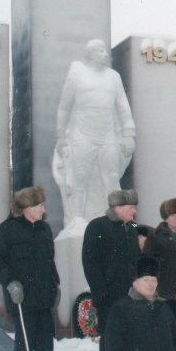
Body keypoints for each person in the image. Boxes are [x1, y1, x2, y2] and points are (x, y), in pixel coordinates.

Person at [0, 185, 61, 351]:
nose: (43, 209)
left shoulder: (44, 228)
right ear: (28, 208)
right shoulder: (7, 230)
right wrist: (10, 282)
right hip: (22, 295)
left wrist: (55, 285)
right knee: (25, 336)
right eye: (40, 205)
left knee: (45, 334)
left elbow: (49, 260)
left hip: (44, 292)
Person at [55, 39, 136, 222]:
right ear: (89, 53)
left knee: (112, 178)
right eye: (101, 51)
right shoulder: (76, 75)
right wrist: (61, 136)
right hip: (83, 136)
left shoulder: (113, 77)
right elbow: (64, 108)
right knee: (80, 177)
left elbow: (123, 107)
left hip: (107, 137)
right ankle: (77, 218)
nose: (105, 55)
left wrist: (129, 134)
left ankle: (116, 219)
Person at [82, 189, 141, 351]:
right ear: (117, 207)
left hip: (130, 292)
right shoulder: (97, 226)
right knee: (109, 331)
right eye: (131, 207)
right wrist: (99, 289)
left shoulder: (132, 229)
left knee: (130, 330)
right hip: (107, 292)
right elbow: (90, 261)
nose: (134, 211)